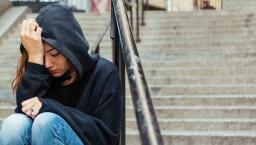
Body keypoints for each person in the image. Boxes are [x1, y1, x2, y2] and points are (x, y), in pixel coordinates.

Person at [0, 3, 123, 145]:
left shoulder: (104, 72)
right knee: (13, 125)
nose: (48, 64)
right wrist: (34, 59)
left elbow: (106, 138)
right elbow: (25, 110)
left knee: (46, 122)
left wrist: (51, 107)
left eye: (54, 54)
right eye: (42, 56)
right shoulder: (41, 71)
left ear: (70, 48)